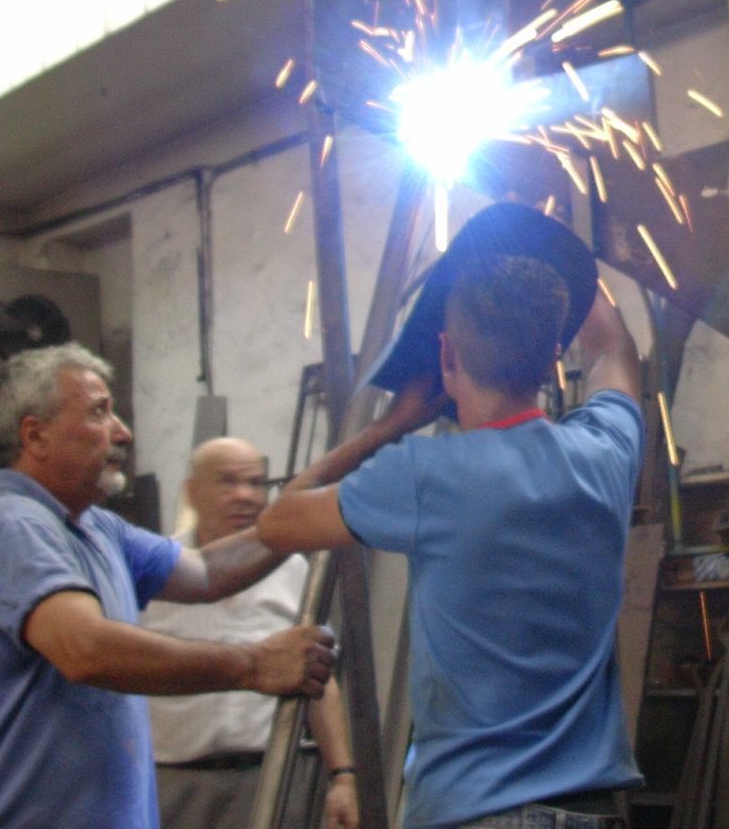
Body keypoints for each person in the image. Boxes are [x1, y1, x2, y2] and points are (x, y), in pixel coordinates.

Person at [260, 202, 645, 829]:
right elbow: (613, 349)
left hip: (473, 816)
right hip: (594, 813)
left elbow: (276, 522)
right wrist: (563, 252)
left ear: (446, 356)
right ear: (553, 357)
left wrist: (389, 425)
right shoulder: (606, 452)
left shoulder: (423, 474)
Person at [0, 344, 336, 829]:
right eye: (100, 412)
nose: (122, 431)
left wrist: (341, 485)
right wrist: (252, 664)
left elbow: (208, 573)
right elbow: (87, 649)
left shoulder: (97, 529)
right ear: (35, 435)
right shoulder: (13, 525)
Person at [143, 437, 358, 829]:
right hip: (171, 785)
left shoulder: (293, 571)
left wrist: (343, 775)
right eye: (227, 482)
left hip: (267, 781)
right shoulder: (156, 573)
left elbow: (319, 680)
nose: (245, 496)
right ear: (192, 492)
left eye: (257, 483)